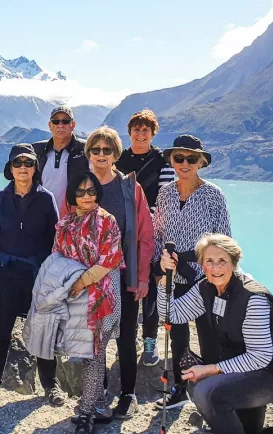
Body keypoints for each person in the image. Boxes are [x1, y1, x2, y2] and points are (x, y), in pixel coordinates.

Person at [158, 234, 273, 434]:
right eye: (209, 261)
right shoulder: (206, 287)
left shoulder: (253, 298)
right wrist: (165, 281)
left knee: (206, 392)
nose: (215, 267)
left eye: (222, 261)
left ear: (234, 262)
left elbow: (260, 356)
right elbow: (171, 314)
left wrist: (211, 369)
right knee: (246, 427)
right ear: (202, 265)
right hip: (244, 370)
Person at [0, 144, 65, 406]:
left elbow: (55, 240)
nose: (23, 168)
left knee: (43, 330)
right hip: (5, 273)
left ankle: (50, 385)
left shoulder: (46, 198)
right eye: (18, 164)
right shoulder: (0, 198)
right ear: (10, 169)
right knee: (1, 330)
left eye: (28, 163)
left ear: (35, 168)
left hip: (37, 275)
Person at [152, 134, 232, 410]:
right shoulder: (165, 193)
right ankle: (181, 386)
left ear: (201, 162)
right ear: (172, 161)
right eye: (179, 158)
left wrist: (218, 274)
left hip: (205, 278)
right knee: (177, 335)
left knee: (210, 335)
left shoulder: (213, 195)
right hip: (173, 274)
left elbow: (225, 239)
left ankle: (213, 390)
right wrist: (157, 268)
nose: (185, 163)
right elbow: (157, 234)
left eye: (191, 158)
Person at [83, 127, 155, 419]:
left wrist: (141, 278)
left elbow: (145, 235)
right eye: (96, 149)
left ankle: (128, 394)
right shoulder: (82, 186)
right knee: (94, 338)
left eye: (107, 150)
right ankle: (97, 395)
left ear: (116, 154)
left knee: (126, 335)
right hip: (90, 278)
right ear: (89, 153)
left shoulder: (130, 187)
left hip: (124, 274)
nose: (101, 155)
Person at [53, 173, 124, 434]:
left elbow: (109, 261)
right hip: (76, 298)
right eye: (81, 191)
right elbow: (56, 260)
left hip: (103, 296)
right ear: (73, 194)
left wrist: (80, 282)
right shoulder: (64, 224)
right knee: (88, 354)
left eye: (91, 190)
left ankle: (85, 414)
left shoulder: (108, 222)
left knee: (93, 354)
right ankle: (101, 405)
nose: (86, 196)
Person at [114, 109, 175, 367]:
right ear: (129, 133)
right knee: (123, 287)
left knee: (149, 286)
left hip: (152, 232)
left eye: (145, 130)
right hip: (120, 233)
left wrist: (143, 221)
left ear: (152, 133)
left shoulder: (162, 162)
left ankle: (149, 341)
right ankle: (126, 339)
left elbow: (165, 198)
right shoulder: (119, 159)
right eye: (136, 129)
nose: (140, 134)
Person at [32, 105, 89, 218]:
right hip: (42, 219)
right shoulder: (37, 151)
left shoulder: (86, 150)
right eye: (56, 121)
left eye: (66, 121)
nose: (61, 125)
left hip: (74, 220)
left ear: (73, 125)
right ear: (50, 125)